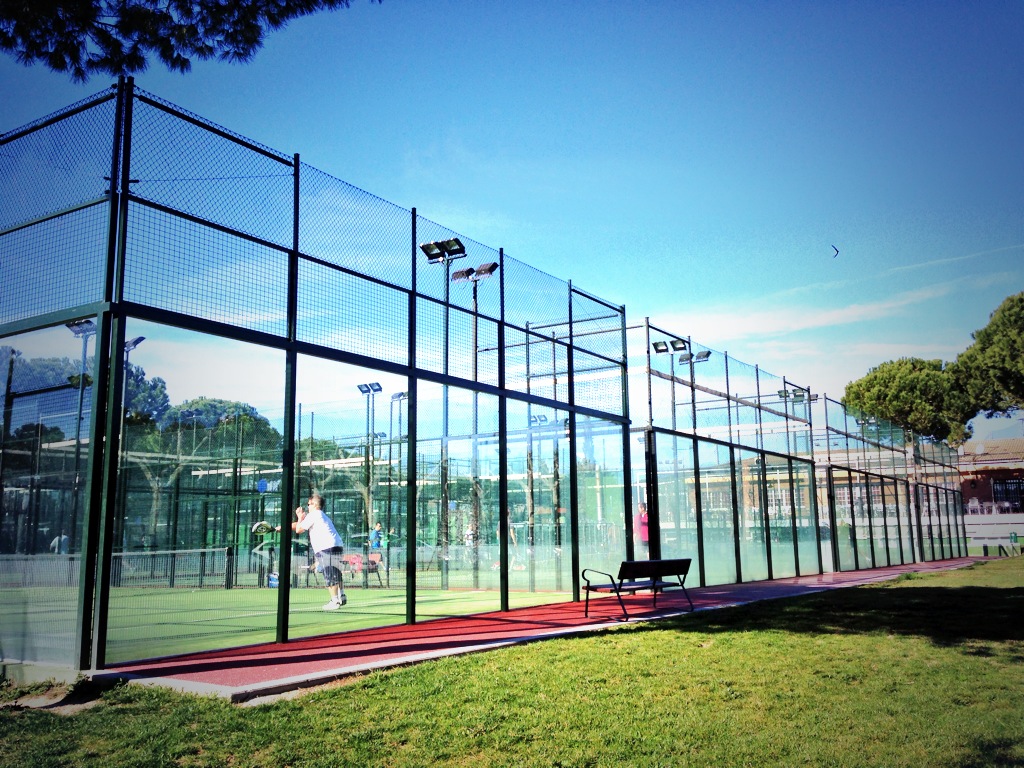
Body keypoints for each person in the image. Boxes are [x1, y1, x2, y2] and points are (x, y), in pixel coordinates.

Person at [281, 493, 347, 610]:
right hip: (336, 545)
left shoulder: (314, 514)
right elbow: (299, 525)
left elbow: (299, 529)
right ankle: (341, 595)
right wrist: (282, 527)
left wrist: (300, 516)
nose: (307, 507)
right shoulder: (320, 515)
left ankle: (334, 601)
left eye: (309, 504)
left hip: (327, 547)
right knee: (335, 572)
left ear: (315, 505)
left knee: (330, 574)